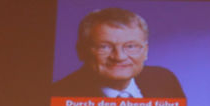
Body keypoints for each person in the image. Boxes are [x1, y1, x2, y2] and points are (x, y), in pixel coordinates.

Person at [52, 7, 185, 98]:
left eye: (131, 46)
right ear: (81, 51)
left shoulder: (164, 80)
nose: (119, 57)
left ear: (145, 51)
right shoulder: (59, 93)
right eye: (104, 47)